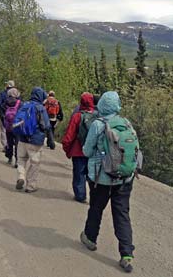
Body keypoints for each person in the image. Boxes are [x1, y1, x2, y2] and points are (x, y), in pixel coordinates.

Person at [79, 91, 140, 273]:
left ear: (102, 105)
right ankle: (126, 253)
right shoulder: (126, 123)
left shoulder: (98, 124)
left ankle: (90, 238)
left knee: (96, 208)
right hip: (124, 178)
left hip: (101, 178)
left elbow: (87, 151)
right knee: (122, 213)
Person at [15, 87, 55, 193]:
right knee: (34, 163)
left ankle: (21, 177)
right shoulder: (40, 108)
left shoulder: (24, 105)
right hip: (35, 140)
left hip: (22, 138)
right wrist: (51, 140)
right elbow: (46, 125)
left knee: (21, 160)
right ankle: (31, 185)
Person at [61, 92, 95, 203]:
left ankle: (80, 195)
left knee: (79, 174)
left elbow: (69, 135)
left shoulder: (77, 116)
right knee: (91, 175)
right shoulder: (97, 117)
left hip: (78, 151)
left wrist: (67, 149)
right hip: (92, 152)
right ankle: (94, 196)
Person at [3, 87, 21, 167]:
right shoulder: (20, 103)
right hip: (17, 126)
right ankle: (17, 160)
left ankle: (9, 157)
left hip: (8, 126)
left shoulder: (5, 102)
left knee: (9, 142)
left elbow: (2, 111)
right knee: (17, 143)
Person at [0, 81, 15, 152]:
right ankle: (12, 145)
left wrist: (2, 110)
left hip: (4, 115)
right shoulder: (17, 94)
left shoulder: (3, 93)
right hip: (14, 117)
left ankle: (5, 146)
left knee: (3, 130)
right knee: (13, 130)